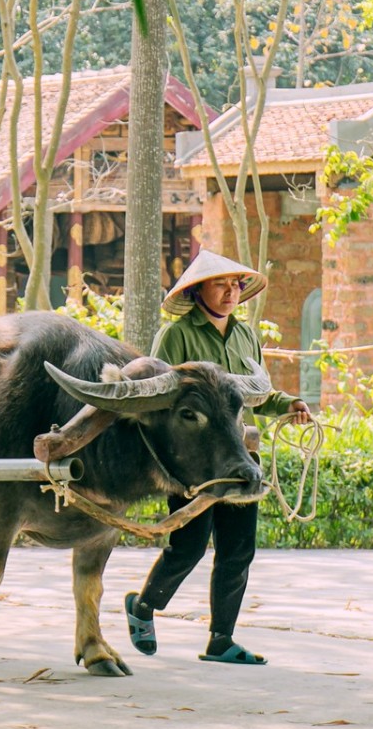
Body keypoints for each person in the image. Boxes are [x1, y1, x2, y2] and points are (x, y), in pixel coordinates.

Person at [123, 250, 312, 666]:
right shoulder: (176, 336)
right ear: (197, 291)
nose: (230, 293)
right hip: (198, 462)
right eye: (220, 285)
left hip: (240, 458)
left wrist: (289, 404)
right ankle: (144, 605)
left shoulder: (246, 336)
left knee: (238, 550)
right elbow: (162, 396)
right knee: (189, 546)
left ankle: (221, 639)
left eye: (235, 285)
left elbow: (257, 393)